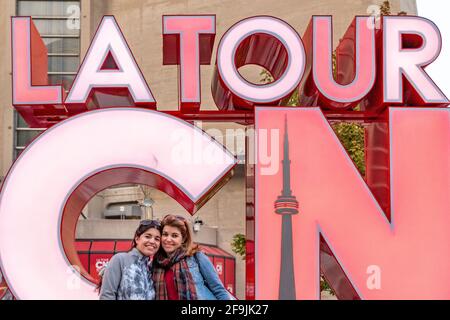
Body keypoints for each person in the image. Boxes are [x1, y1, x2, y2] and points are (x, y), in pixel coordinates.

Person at [152, 214, 234, 300]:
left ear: (183, 239)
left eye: (174, 236)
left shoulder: (196, 256)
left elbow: (218, 290)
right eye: (165, 234)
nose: (168, 239)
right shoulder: (156, 262)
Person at [99, 219, 161, 300]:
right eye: (147, 236)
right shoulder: (120, 260)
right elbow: (107, 295)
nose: (152, 241)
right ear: (137, 239)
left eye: (157, 239)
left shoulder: (150, 268)